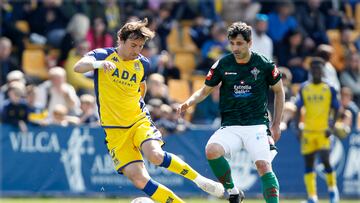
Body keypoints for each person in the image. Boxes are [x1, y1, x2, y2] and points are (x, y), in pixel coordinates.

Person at [73, 18, 224, 203]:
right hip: (114, 131)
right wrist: (99, 65)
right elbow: (78, 67)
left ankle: (199, 180)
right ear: (120, 40)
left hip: (137, 121)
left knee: (155, 155)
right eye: (133, 45)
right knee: (139, 179)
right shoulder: (103, 55)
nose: (136, 50)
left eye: (140, 46)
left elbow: (141, 88)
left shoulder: (142, 64)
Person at [177, 21, 284, 203]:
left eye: (240, 43)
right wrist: (188, 103)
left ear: (250, 43)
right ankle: (234, 192)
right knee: (211, 150)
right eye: (232, 43)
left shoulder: (264, 64)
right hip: (231, 126)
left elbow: (279, 91)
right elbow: (204, 91)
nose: (235, 48)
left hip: (257, 126)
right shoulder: (222, 65)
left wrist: (276, 124)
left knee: (263, 166)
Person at [294, 57, 340, 203]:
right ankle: (312, 197)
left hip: (323, 131)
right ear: (310, 71)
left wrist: (331, 127)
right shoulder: (304, 88)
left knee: (326, 160)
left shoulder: (330, 88)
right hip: (308, 131)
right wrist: (298, 127)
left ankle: (333, 190)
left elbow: (336, 109)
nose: (316, 72)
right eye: (313, 69)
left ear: (322, 71)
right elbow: (298, 109)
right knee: (309, 164)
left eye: (318, 69)